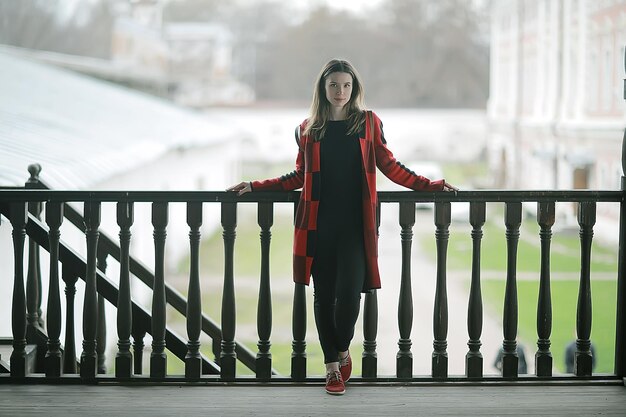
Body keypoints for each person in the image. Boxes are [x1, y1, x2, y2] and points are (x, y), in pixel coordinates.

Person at [228, 59, 456, 395]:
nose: (340, 92)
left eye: (346, 86)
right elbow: (298, 177)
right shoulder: (307, 129)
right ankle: (332, 368)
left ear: (355, 89)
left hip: (354, 227)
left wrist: (430, 186)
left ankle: (343, 348)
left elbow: (390, 166)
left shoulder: (367, 123)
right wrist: (256, 186)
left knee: (349, 297)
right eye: (334, 85)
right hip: (316, 226)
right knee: (322, 297)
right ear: (323, 88)